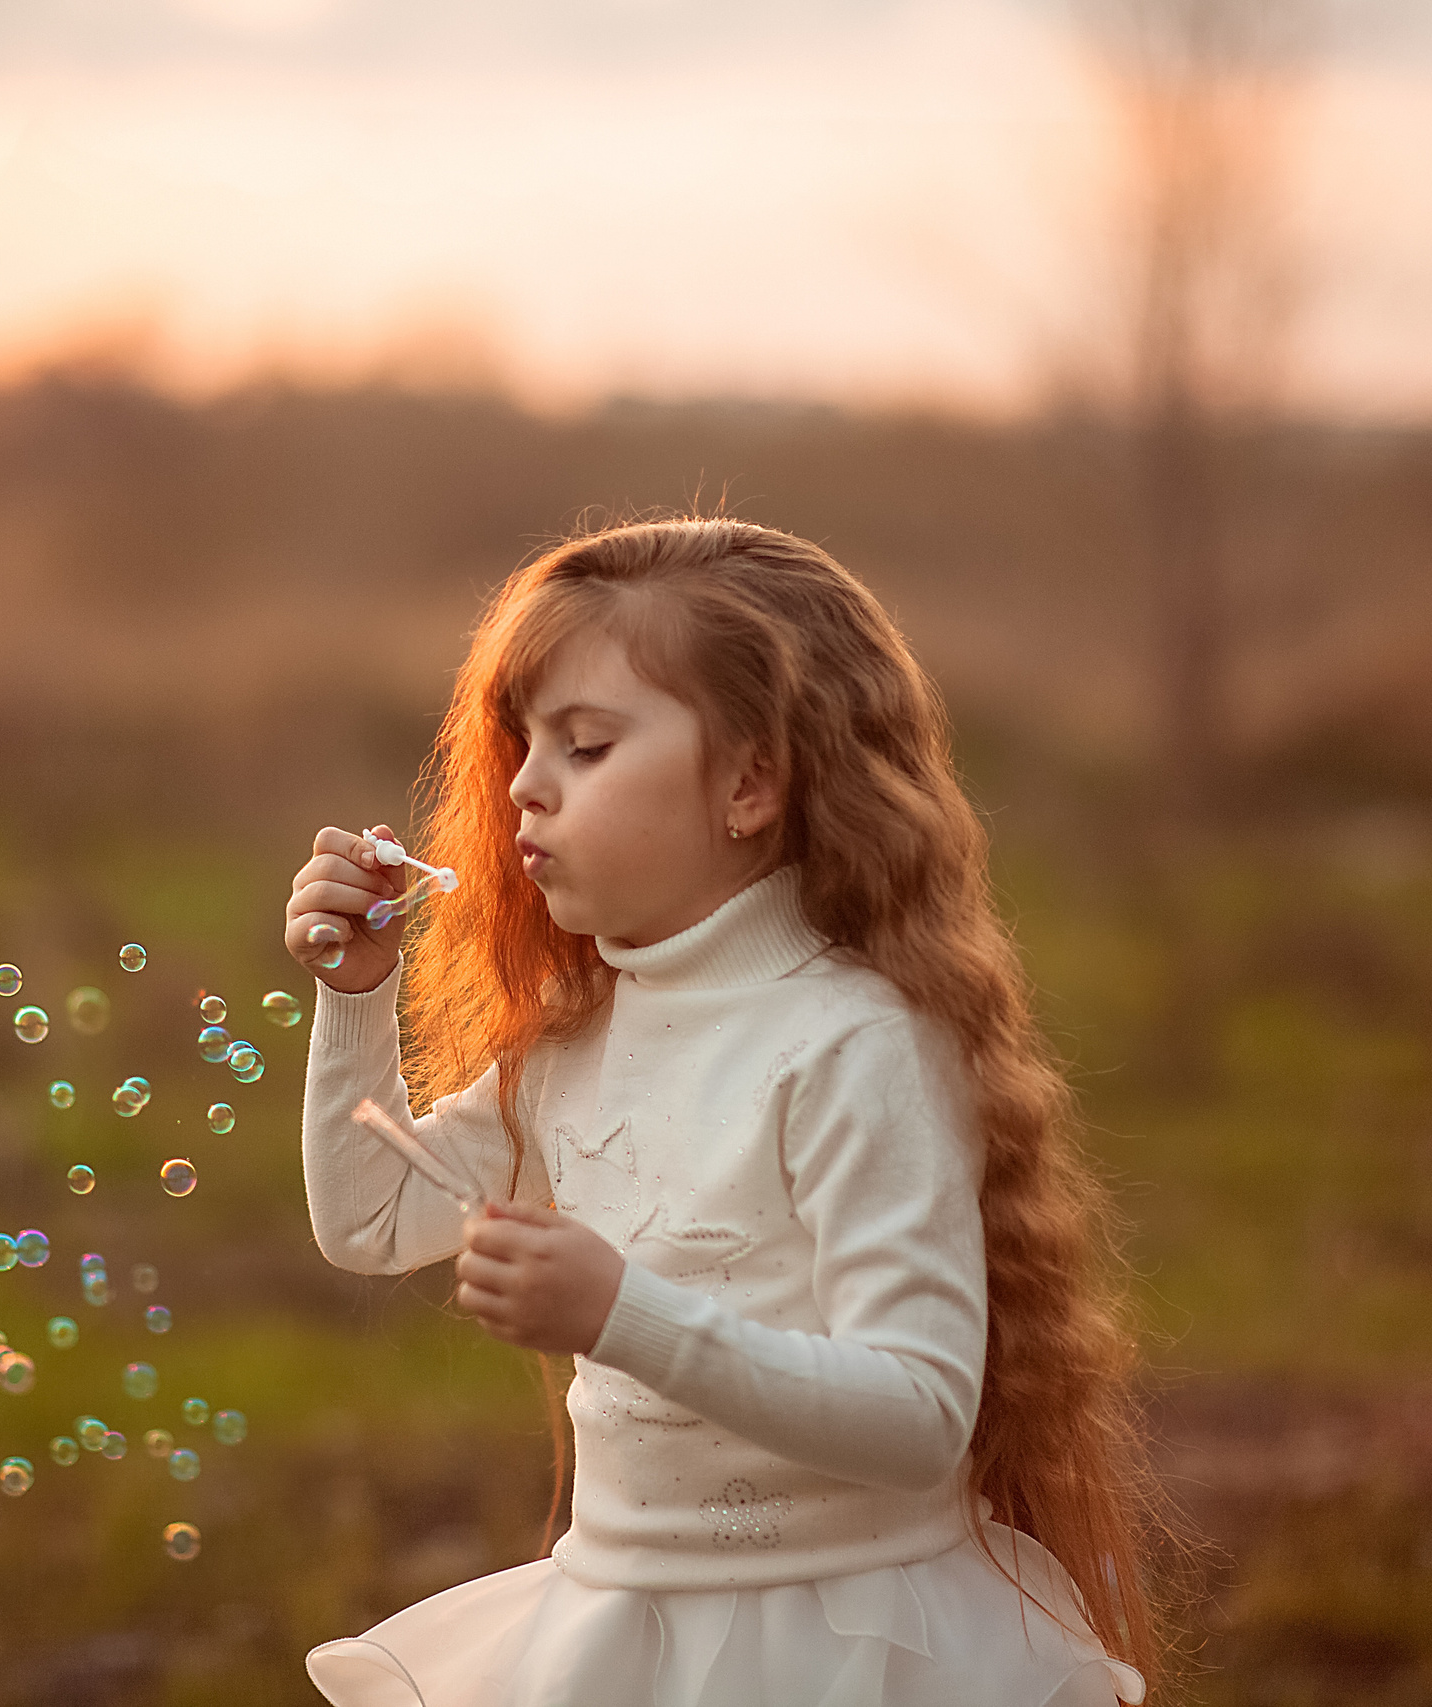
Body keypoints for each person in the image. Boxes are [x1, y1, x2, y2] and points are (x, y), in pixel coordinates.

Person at [282, 518, 1164, 1707]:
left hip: (842, 1645)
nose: (525, 787)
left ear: (751, 781)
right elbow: (370, 1217)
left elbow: (917, 1412)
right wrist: (355, 998)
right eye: (523, 743)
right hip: (623, 1631)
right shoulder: (575, 1034)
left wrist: (617, 1310)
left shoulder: (853, 1046)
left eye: (585, 747)